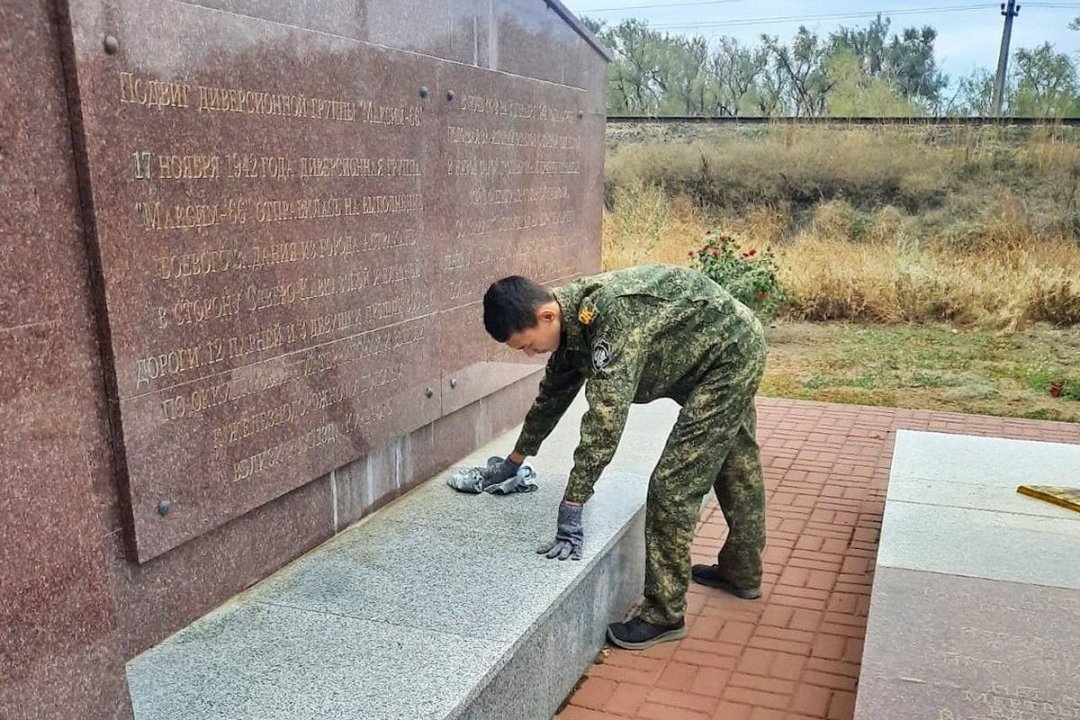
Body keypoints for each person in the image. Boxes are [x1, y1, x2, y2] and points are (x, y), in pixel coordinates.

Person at [479, 264, 767, 650]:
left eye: (527, 343)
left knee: (673, 485)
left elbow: (605, 420)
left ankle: (663, 614)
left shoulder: (608, 316)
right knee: (736, 461)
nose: (531, 352)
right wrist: (514, 460)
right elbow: (552, 396)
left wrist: (573, 502)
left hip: (726, 360)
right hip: (720, 347)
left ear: (546, 315)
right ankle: (742, 571)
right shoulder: (569, 323)